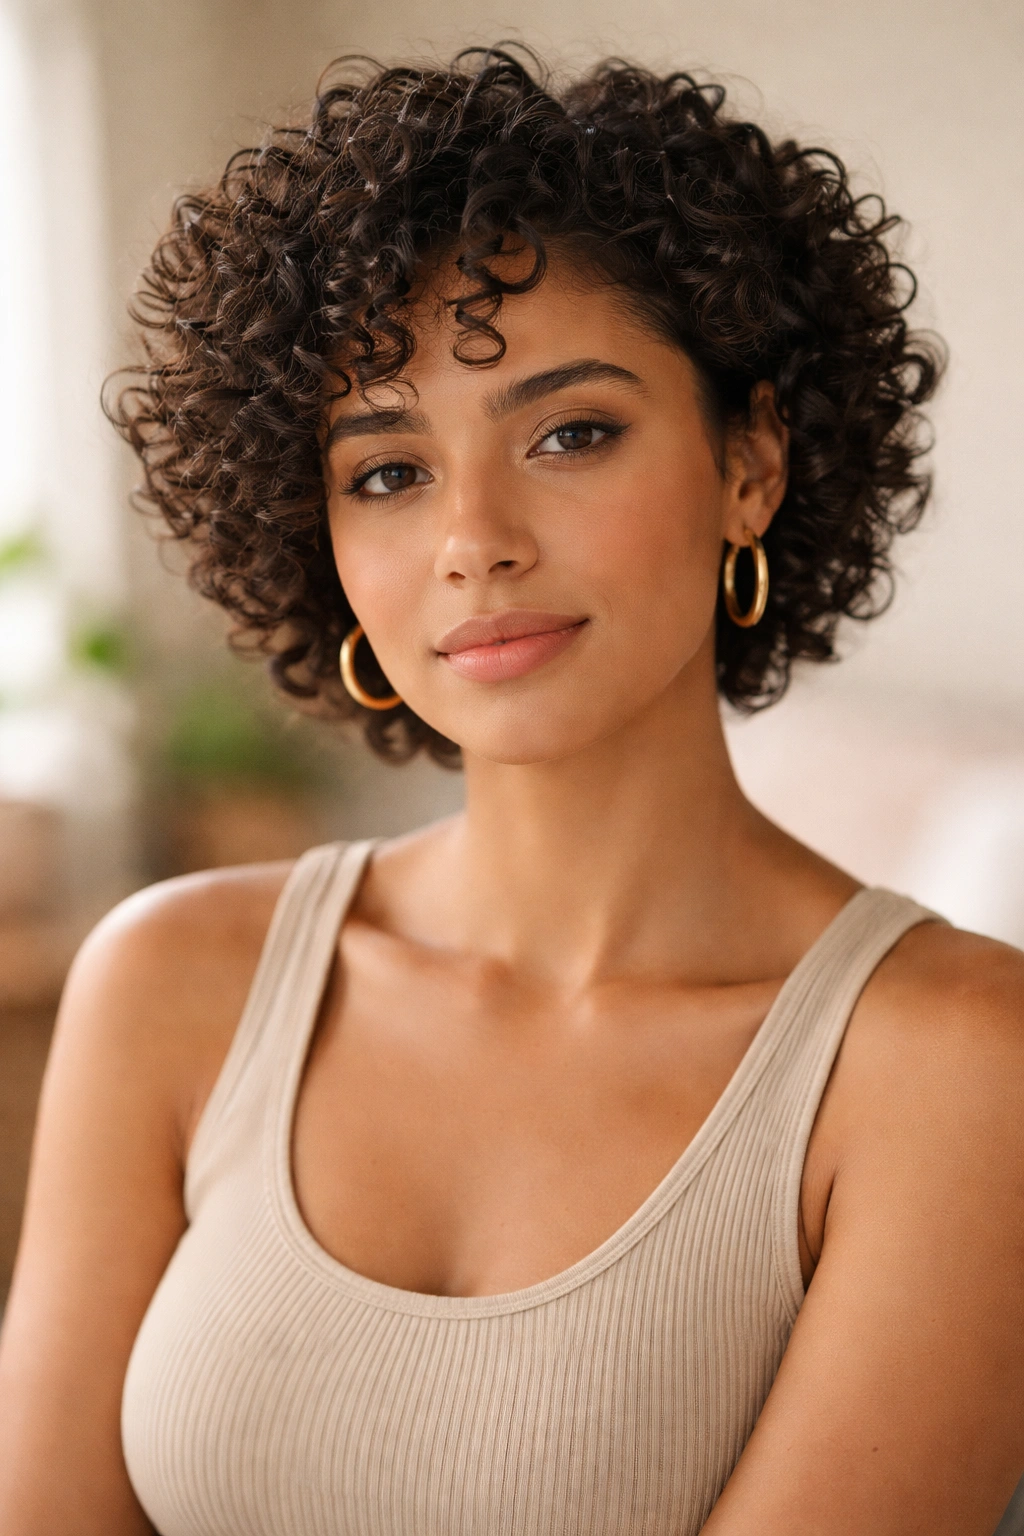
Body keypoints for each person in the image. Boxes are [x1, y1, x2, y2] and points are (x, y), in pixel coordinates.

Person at [1, 47, 1022, 1536]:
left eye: (572, 434)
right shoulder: (168, 983)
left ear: (752, 464)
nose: (473, 540)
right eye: (388, 471)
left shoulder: (955, 1064)